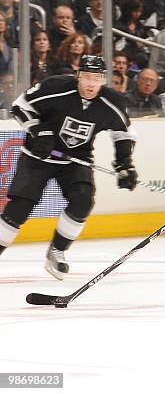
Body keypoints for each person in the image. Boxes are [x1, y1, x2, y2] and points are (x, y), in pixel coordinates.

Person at [0, 55, 138, 279]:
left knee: (83, 200)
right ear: (78, 76)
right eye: (87, 77)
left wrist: (124, 164)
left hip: (75, 160)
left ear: (103, 79)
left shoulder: (112, 102)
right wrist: (38, 129)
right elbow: (20, 106)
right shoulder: (55, 87)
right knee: (19, 210)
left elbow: (123, 133)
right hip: (38, 156)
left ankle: (57, 252)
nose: (91, 83)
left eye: (97, 78)